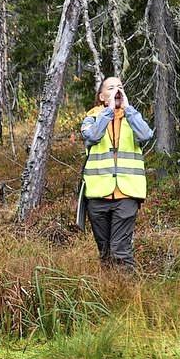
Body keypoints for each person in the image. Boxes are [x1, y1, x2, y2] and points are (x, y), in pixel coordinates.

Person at [76, 77, 154, 271]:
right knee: (104, 251)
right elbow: (92, 136)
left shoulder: (132, 117)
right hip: (97, 194)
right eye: (111, 88)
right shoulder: (91, 118)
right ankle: (110, 292)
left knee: (120, 250)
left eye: (120, 87)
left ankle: (128, 293)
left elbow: (146, 135)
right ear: (102, 96)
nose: (117, 90)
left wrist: (127, 109)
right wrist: (108, 112)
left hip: (127, 193)